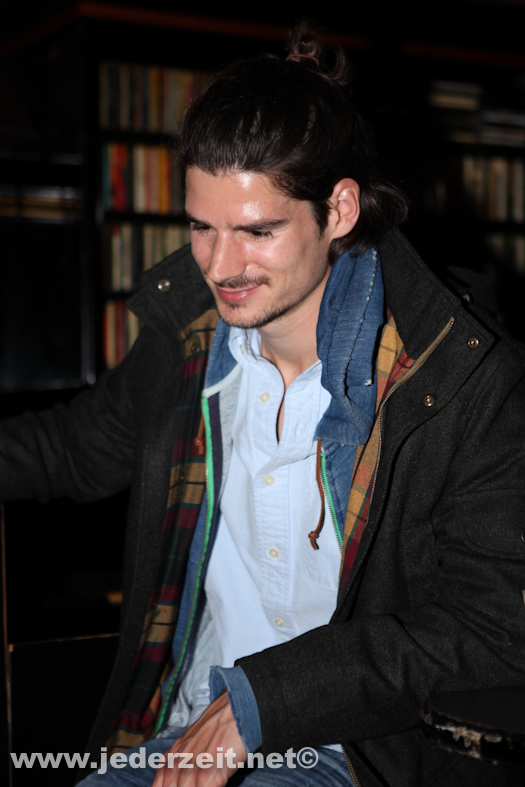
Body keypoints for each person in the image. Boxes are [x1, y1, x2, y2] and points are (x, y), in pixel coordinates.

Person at [2, 23, 525, 787]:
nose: (220, 265)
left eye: (256, 230)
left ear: (338, 210)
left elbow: (493, 626)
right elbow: (70, 450)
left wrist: (262, 702)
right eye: (201, 227)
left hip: (358, 753)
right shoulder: (186, 345)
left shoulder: (459, 376)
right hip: (182, 726)